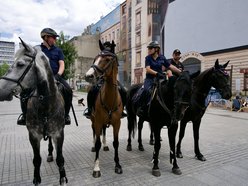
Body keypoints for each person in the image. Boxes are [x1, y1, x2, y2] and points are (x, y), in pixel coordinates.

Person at [17, 28, 72, 125]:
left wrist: (58, 75)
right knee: (24, 93)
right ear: (45, 37)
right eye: (53, 37)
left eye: (55, 38)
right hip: (39, 78)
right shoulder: (37, 50)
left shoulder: (58, 50)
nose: (55, 40)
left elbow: (62, 64)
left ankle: (66, 115)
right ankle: (25, 116)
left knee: (68, 90)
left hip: (56, 77)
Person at [136, 41, 182, 117]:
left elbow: (171, 66)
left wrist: (181, 72)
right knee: (146, 90)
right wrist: (157, 73)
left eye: (151, 48)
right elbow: (148, 69)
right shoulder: (148, 58)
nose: (149, 50)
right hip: (150, 79)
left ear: (156, 49)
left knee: (169, 90)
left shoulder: (162, 57)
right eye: (149, 48)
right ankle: (142, 108)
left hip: (160, 79)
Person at [83, 41, 127, 119]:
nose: (106, 49)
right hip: (101, 79)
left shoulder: (113, 56)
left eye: (108, 47)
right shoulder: (99, 57)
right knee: (92, 91)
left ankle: (122, 109)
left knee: (123, 91)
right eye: (105, 47)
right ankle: (90, 110)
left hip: (112, 79)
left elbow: (116, 69)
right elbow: (95, 69)